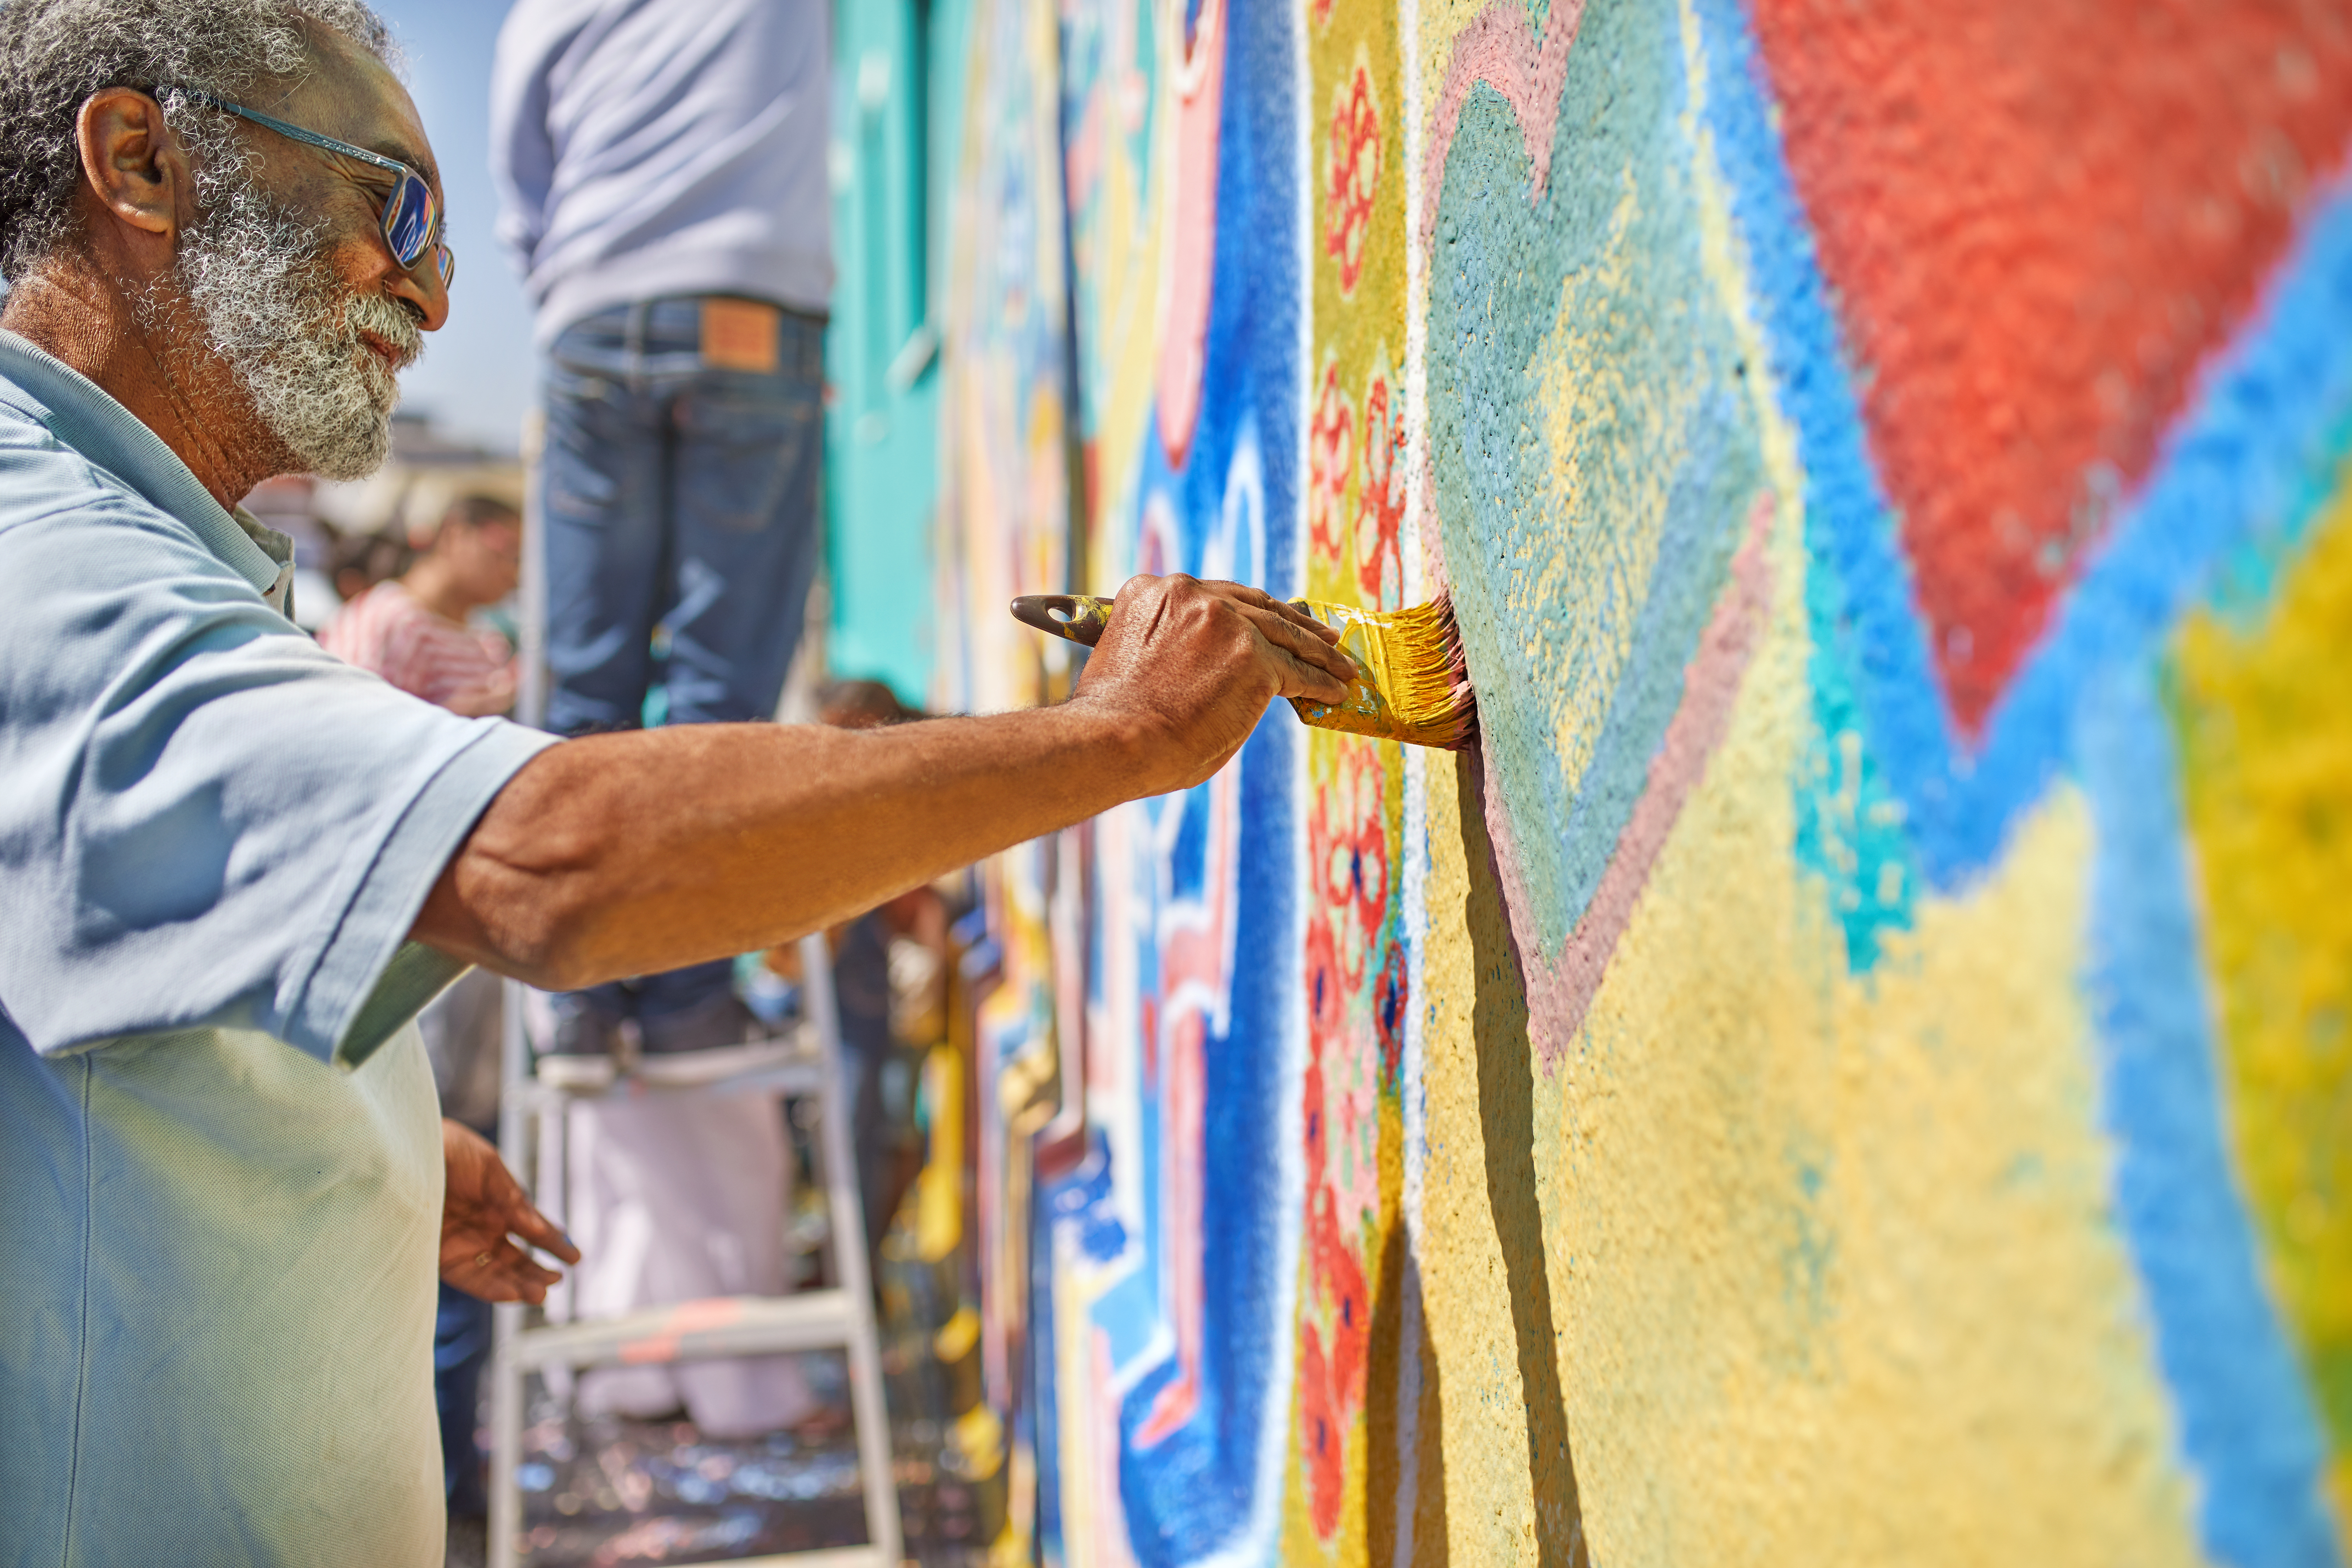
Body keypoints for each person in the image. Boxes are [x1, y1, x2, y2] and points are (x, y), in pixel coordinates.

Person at [0, 3, 1351, 1562]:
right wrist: (1117, 738)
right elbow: (547, 861)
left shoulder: (144, 548)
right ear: (143, 163)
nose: (437, 295)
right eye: (400, 209)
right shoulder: (55, 567)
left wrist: (347, 1162)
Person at [491, 0, 834, 1059]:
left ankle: (576, 993)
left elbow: (522, 184)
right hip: (752, 306)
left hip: (594, 312)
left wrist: (573, 283)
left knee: (587, 679)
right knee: (721, 693)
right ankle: (686, 1000)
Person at [321, 492, 521, 715]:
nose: (516, 573)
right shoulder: (383, 620)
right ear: (455, 534)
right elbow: (354, 722)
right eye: (511, 552)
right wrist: (461, 718)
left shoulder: (486, 639)